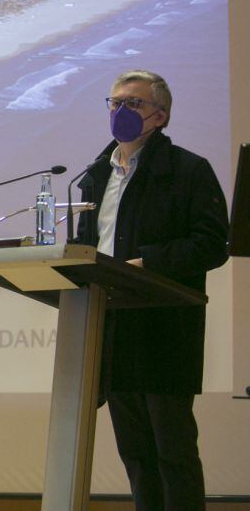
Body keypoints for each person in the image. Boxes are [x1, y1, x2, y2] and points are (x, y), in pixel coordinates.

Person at [75, 70, 228, 511]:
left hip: (164, 326)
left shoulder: (188, 170)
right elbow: (91, 248)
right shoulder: (93, 176)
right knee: (136, 453)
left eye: (133, 104)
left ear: (160, 116)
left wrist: (147, 264)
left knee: (172, 451)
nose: (121, 111)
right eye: (114, 102)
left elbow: (212, 244)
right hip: (112, 324)